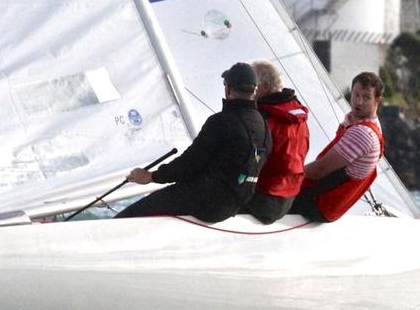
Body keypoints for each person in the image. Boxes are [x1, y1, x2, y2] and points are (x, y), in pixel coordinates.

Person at [115, 62, 271, 223]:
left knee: (131, 215)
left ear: (228, 89)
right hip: (234, 204)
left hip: (206, 203)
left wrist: (151, 176)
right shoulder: (264, 126)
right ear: (255, 90)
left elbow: (190, 162)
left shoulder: (221, 122)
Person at [290, 71, 384, 223]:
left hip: (319, 205)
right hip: (325, 203)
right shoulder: (362, 124)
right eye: (356, 94)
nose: (359, 102)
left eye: (366, 97)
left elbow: (320, 170)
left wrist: (287, 177)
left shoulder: (363, 133)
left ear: (377, 101)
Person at [241, 59, 310, 224]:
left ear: (263, 88)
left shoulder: (264, 121)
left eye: (252, 84)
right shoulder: (299, 117)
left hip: (264, 200)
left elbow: (249, 163)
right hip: (287, 199)